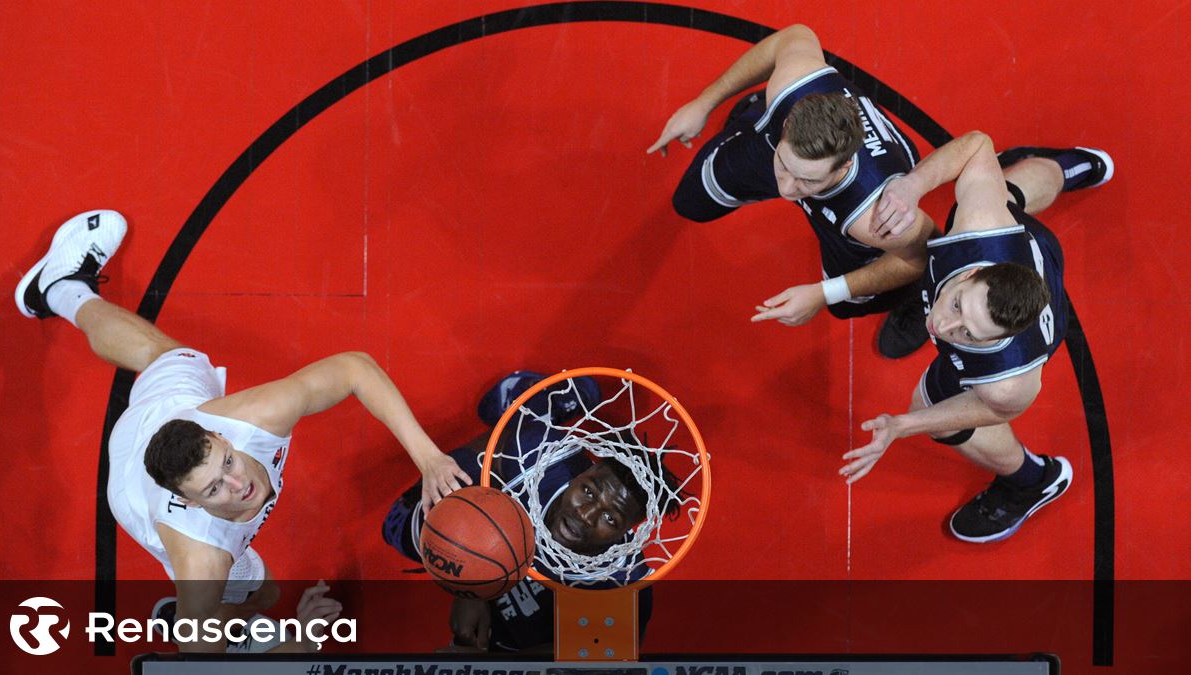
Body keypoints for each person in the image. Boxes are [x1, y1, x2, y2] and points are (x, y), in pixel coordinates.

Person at [15, 211, 469, 651]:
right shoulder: (202, 559)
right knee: (259, 594)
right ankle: (209, 622)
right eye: (216, 488)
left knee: (168, 356)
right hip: (133, 494)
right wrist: (303, 642)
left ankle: (59, 290)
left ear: (222, 438)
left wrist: (428, 458)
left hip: (168, 412)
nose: (240, 484)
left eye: (226, 463)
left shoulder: (245, 420)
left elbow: (355, 369)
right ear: (191, 501)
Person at [839, 133, 1113, 542]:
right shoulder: (981, 225)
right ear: (970, 274)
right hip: (1023, 240)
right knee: (1003, 194)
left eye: (967, 333)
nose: (942, 329)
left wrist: (903, 424)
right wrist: (911, 185)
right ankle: (1076, 165)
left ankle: (1033, 480)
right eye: (955, 308)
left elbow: (989, 410)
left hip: (1038, 271)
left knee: (938, 415)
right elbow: (977, 146)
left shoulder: (1007, 379)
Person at [647, 23, 934, 358]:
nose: (787, 190)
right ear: (787, 124)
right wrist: (704, 102)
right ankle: (759, 111)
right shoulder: (794, 85)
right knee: (692, 202)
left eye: (807, 183)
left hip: (851, 207)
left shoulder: (875, 212)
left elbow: (921, 256)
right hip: (793, 144)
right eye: (784, 167)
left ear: (842, 168)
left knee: (845, 304)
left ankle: (919, 298)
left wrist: (823, 293)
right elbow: (794, 35)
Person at [383, 371, 674, 653]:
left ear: (631, 531)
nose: (587, 515)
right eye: (588, 491)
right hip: (509, 510)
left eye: (611, 519)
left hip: (520, 639)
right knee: (399, 527)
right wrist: (468, 584)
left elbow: (602, 652)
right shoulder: (542, 461)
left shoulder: (623, 584)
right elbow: (493, 454)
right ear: (581, 475)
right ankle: (539, 401)